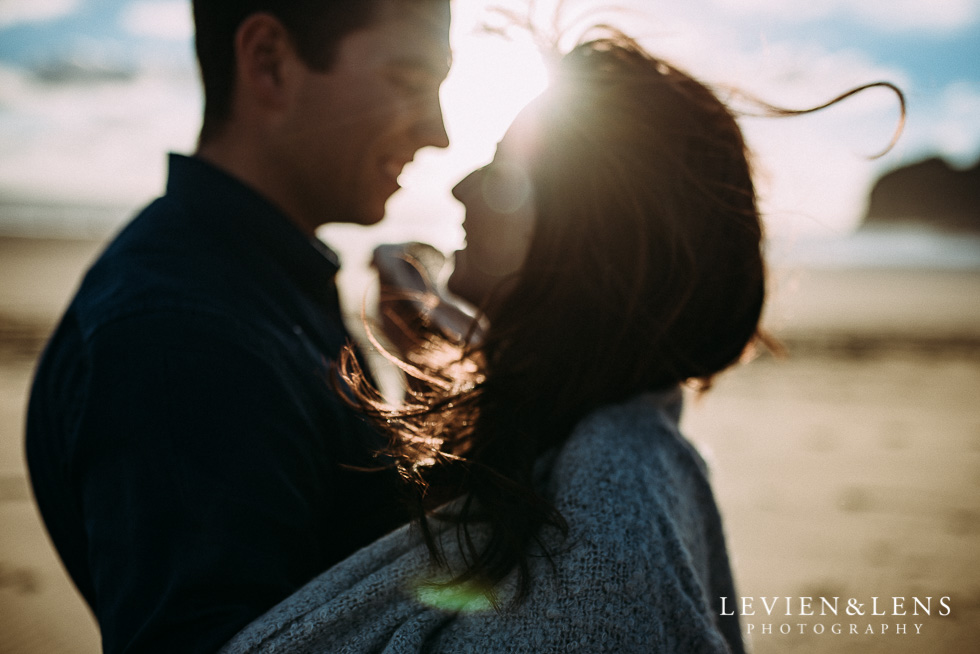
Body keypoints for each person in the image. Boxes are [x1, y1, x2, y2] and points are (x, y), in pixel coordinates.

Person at [220, 32, 772, 654]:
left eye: (505, 171)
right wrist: (444, 361)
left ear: (589, 230)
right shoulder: (614, 440)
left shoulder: (600, 537)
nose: (460, 189)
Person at [25, 1, 451, 652]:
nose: (439, 131)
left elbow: (358, 562)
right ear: (269, 63)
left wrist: (431, 371)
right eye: (411, 79)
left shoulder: (257, 280)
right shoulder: (183, 339)